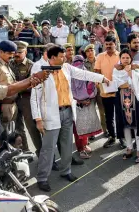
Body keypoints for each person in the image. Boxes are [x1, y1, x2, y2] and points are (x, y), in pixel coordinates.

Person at [30, 45, 110, 192]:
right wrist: (38, 119)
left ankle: (66, 171)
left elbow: (83, 74)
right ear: (51, 57)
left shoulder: (66, 67)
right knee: (48, 148)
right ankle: (42, 178)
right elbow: (34, 97)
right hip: (51, 114)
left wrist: (102, 78)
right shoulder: (39, 69)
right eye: (61, 56)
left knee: (66, 144)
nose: (65, 57)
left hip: (67, 111)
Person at [113, 48, 139, 163]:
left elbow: (138, 82)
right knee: (125, 125)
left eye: (128, 57)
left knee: (137, 124)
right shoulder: (116, 70)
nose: (125, 60)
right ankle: (129, 147)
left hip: (135, 100)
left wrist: (129, 73)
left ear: (131, 59)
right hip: (122, 101)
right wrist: (128, 82)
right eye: (123, 58)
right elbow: (117, 84)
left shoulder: (135, 70)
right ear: (120, 59)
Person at [71, 55, 102, 159]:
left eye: (80, 62)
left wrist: (89, 98)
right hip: (76, 105)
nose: (78, 65)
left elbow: (93, 86)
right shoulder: (70, 76)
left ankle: (85, 145)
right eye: (76, 62)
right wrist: (80, 100)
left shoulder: (86, 73)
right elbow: (70, 92)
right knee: (78, 129)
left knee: (86, 126)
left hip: (88, 104)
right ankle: (80, 150)